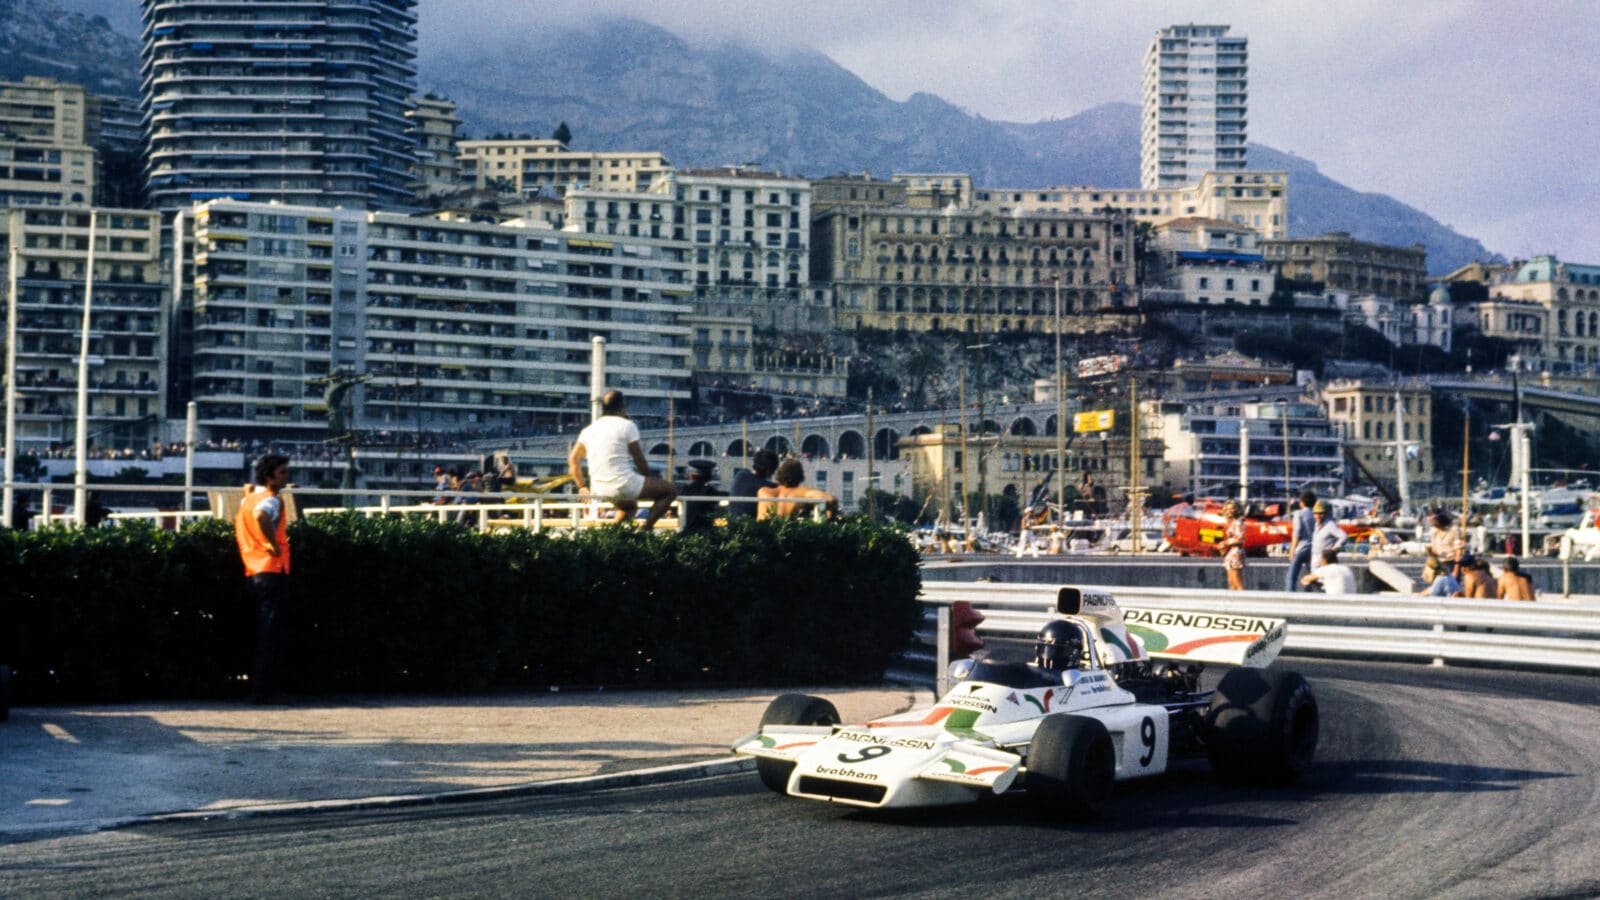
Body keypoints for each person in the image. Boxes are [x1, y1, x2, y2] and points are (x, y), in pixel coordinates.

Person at [568, 390, 677, 529]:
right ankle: (645, 529)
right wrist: (648, 478)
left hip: (599, 487)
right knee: (670, 491)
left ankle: (611, 537)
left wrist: (582, 486)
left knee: (629, 508)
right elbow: (639, 459)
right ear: (622, 407)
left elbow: (573, 459)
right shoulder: (627, 425)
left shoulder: (589, 430)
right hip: (623, 483)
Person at [235, 454, 293, 704]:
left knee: (259, 631)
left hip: (252, 569)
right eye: (282, 473)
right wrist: (273, 545)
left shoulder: (248, 499)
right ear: (269, 477)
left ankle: (258, 687)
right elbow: (262, 516)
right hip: (272, 568)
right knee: (272, 633)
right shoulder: (271, 500)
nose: (286, 477)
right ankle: (265, 691)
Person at [757, 458, 839, 520]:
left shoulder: (764, 492)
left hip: (764, 538)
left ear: (779, 475)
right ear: (800, 477)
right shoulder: (802, 493)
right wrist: (830, 520)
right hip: (792, 537)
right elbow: (831, 500)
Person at [727, 449, 779, 519]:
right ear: (772, 470)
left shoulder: (741, 474)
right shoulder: (770, 487)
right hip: (751, 527)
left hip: (733, 524)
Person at [677, 459, 724, 534]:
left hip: (687, 531)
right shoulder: (711, 492)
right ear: (710, 477)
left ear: (691, 476)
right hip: (706, 532)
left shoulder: (685, 490)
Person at [1286, 490, 1318, 592]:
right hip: (1313, 548)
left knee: (1291, 576)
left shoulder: (1298, 514)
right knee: (1312, 575)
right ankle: (1316, 594)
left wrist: (1291, 550)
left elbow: (1296, 533)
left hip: (1300, 548)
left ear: (1302, 502)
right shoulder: (1316, 515)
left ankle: (1289, 596)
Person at [1219, 499, 1246, 591]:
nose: (1229, 511)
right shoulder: (1233, 523)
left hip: (1235, 553)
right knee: (1231, 582)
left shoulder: (1238, 523)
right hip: (1230, 553)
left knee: (1237, 582)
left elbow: (1240, 539)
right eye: (1227, 509)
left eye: (1232, 509)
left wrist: (1226, 543)